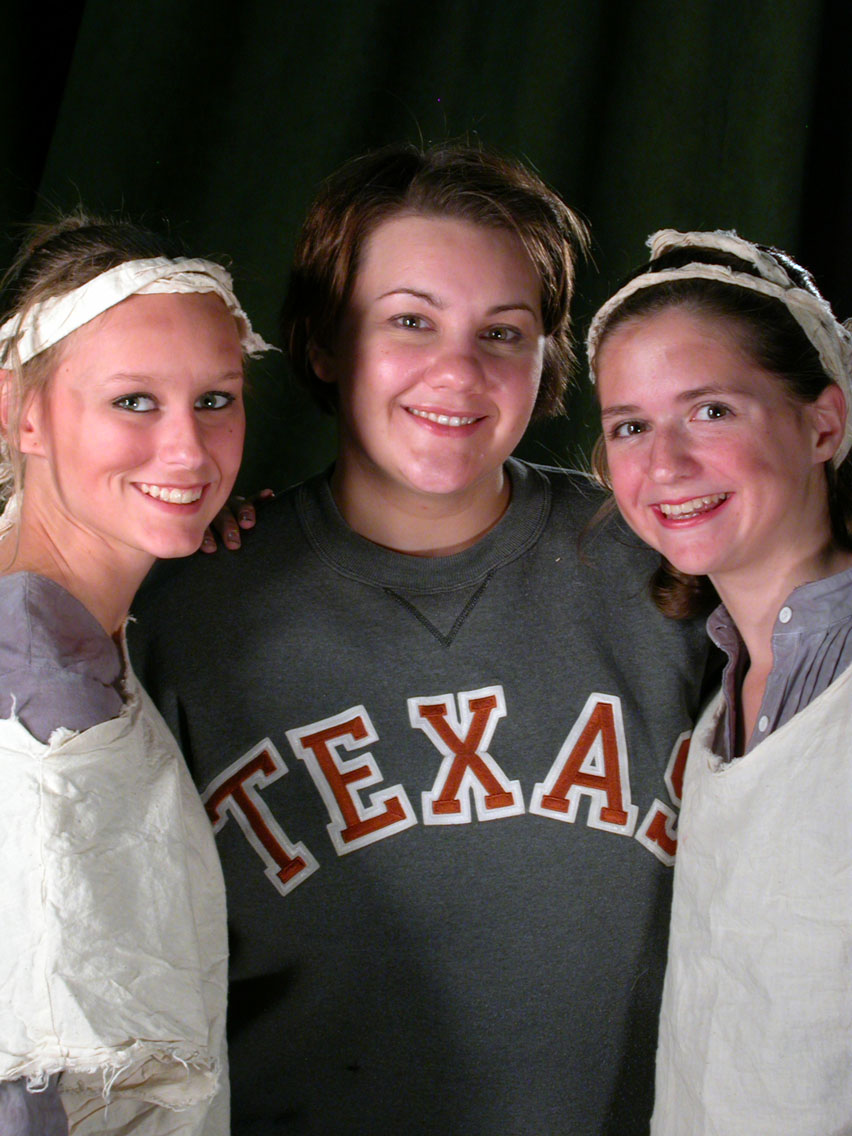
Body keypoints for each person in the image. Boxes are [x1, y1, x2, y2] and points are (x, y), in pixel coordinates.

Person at [130, 144, 712, 1135]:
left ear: (548, 359)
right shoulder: (183, 614)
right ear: (322, 343)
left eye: (504, 331)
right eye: (409, 320)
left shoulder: (672, 576)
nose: (458, 369)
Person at [0, 214, 273, 1135]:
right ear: (19, 413)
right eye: (133, 402)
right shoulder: (40, 709)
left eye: (215, 399)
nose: (191, 452)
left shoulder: (76, 637)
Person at [588, 228, 852, 1135]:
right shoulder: (718, 698)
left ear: (825, 423)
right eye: (631, 426)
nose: (664, 465)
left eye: (711, 412)